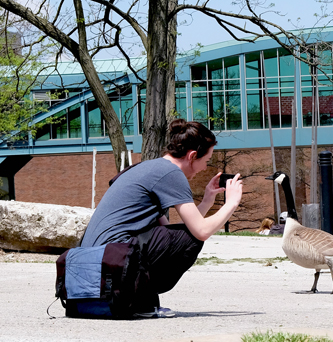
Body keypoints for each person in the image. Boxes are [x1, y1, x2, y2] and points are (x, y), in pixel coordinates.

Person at [80, 119, 243, 318]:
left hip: (91, 265)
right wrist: (231, 203)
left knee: (181, 235)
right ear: (192, 156)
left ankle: (140, 301)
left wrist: (208, 200)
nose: (204, 168)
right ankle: (138, 301)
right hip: (112, 261)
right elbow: (200, 231)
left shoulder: (148, 168)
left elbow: (170, 231)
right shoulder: (171, 173)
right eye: (206, 161)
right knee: (192, 239)